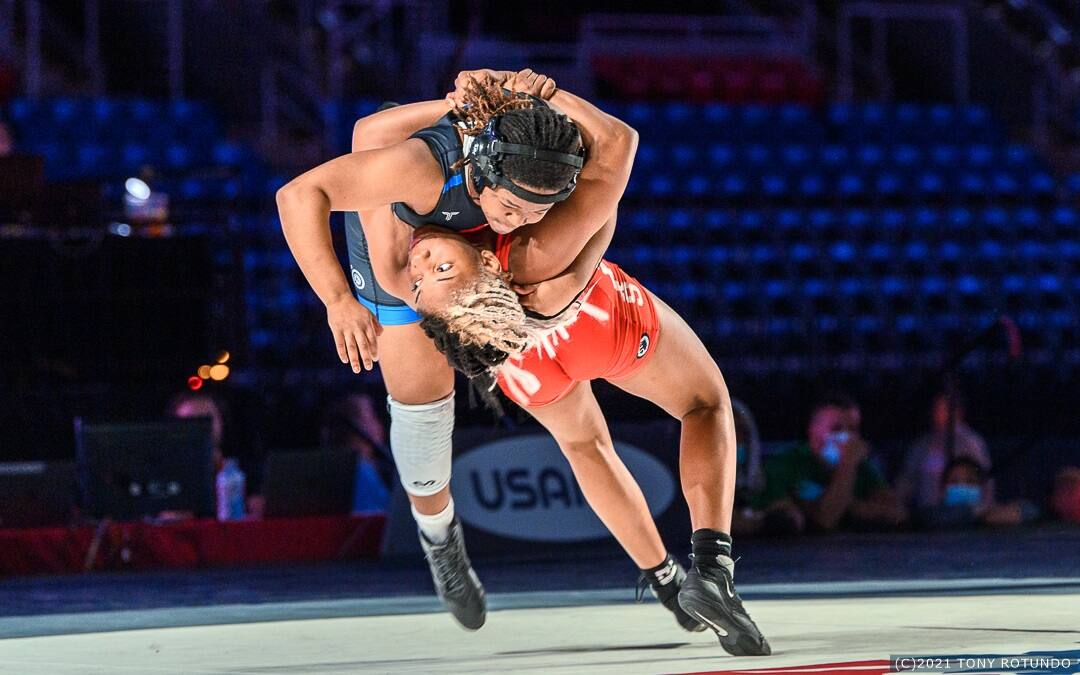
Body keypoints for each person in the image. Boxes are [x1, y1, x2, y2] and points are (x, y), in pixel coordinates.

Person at [277, 68, 638, 630]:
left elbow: (611, 174)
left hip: (476, 220)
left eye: (534, 213)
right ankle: (439, 539)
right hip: (403, 232)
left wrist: (526, 100)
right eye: (512, 208)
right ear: (487, 174)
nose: (519, 220)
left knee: (537, 277)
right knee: (421, 408)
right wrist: (337, 299)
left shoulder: (534, 206)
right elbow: (312, 181)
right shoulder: (418, 185)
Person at [354, 217, 771, 655]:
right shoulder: (517, 237)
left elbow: (316, 193)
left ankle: (665, 578)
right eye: (429, 275)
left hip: (514, 355)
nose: (422, 259)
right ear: (489, 264)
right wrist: (577, 273)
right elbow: (608, 181)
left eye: (435, 269)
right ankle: (710, 568)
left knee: (582, 445)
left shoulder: (397, 250)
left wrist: (338, 296)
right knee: (704, 403)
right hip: (581, 313)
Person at [754, 393, 908, 533]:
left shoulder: (861, 465)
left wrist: (846, 506)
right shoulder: (784, 463)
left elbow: (898, 514)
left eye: (853, 429)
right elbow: (825, 521)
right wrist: (847, 465)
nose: (847, 437)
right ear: (813, 430)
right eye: (837, 428)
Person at [897, 392, 993, 511]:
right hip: (928, 516)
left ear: (957, 412)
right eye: (935, 409)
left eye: (942, 409)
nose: (937, 413)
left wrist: (982, 511)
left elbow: (985, 481)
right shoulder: (922, 444)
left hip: (962, 517)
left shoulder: (971, 443)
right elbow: (907, 479)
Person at [320, 393, 392, 512]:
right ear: (356, 427)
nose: (378, 424)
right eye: (371, 416)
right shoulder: (361, 470)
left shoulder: (369, 468)